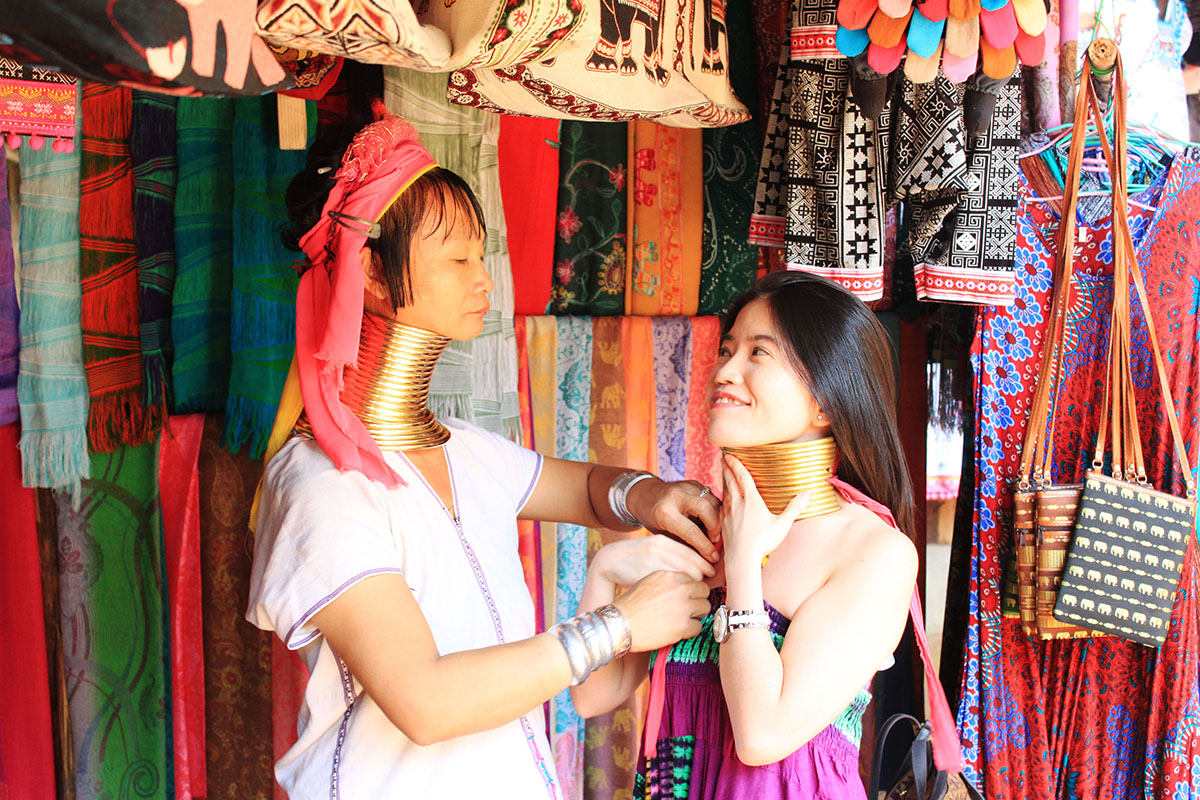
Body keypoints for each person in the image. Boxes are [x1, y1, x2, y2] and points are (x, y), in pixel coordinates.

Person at [245, 112, 720, 799]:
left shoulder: (463, 450)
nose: (484, 279)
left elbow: (591, 492)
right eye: (458, 258)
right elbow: (425, 703)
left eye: (482, 253)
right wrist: (617, 628)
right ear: (373, 275)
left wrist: (650, 494)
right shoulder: (323, 484)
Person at [572, 271, 920, 799]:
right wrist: (606, 571)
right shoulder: (710, 526)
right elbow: (597, 694)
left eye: (759, 353)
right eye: (728, 349)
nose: (724, 371)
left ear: (825, 402)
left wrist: (741, 566)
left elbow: (763, 735)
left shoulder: (875, 551)